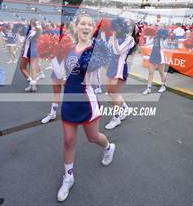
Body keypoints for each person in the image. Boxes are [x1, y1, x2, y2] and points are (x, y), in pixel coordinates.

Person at [57, 15, 115, 202]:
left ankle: (108, 147)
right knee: (68, 140)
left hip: (87, 99)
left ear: (92, 29)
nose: (86, 26)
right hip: (69, 98)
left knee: (93, 137)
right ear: (76, 26)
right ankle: (68, 177)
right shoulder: (70, 48)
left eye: (90, 24)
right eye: (83, 23)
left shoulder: (97, 49)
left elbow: (98, 66)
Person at [104, 18, 136, 130]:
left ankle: (116, 118)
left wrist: (113, 37)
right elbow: (108, 49)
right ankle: (125, 108)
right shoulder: (115, 36)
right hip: (111, 66)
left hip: (120, 68)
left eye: (130, 25)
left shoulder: (130, 39)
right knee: (110, 91)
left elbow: (118, 51)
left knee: (115, 93)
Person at [142, 28, 168, 94]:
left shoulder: (164, 39)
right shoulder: (154, 37)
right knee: (150, 72)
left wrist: (161, 38)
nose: (157, 33)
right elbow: (148, 43)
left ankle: (163, 86)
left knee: (161, 72)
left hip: (160, 56)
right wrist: (148, 36)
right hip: (153, 55)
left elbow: (164, 46)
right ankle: (148, 88)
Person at [20, 19, 41, 92]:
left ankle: (32, 82)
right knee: (32, 70)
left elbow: (37, 35)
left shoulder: (34, 32)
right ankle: (32, 85)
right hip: (30, 52)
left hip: (29, 53)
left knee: (22, 68)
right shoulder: (31, 31)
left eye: (30, 23)